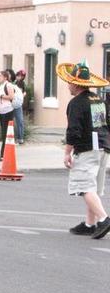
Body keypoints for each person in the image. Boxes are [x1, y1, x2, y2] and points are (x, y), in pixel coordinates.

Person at [56, 59, 110, 239]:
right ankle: (90, 223)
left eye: (70, 82)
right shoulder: (98, 99)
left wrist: (67, 153)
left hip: (87, 148)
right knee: (92, 185)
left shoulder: (77, 103)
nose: (68, 85)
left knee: (84, 185)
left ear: (75, 83)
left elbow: (74, 130)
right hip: (103, 146)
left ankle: (103, 219)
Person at [0, 70, 15, 161]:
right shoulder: (1, 86)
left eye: (0, 76)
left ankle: (3, 154)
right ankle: (4, 153)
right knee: (4, 133)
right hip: (2, 111)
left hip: (8, 111)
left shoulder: (8, 85)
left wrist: (0, 96)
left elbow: (11, 97)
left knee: (6, 133)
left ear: (5, 77)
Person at [14, 69, 27, 144]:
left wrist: (21, 96)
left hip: (18, 103)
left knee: (20, 121)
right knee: (17, 121)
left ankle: (20, 138)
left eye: (21, 76)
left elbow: (24, 92)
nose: (20, 77)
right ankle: (17, 137)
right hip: (14, 102)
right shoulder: (15, 83)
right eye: (19, 75)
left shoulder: (21, 83)